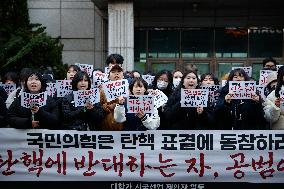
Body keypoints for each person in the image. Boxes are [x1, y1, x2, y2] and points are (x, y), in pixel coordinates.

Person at [99, 64, 125, 131]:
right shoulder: (103, 91)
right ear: (109, 76)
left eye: (119, 71)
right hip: (107, 127)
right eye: (113, 72)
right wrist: (108, 107)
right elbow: (98, 109)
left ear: (123, 75)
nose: (116, 74)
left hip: (125, 129)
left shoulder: (129, 90)